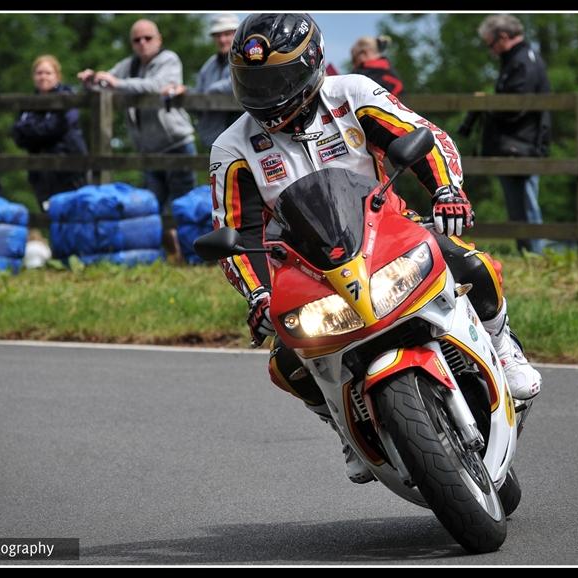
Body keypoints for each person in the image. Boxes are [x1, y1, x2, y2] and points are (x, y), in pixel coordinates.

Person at [210, 13, 542, 485]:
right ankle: (340, 420)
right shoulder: (232, 147)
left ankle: (503, 346)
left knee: (472, 263)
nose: (266, 93)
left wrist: (447, 191)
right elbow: (235, 236)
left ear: (312, 64)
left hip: (388, 230)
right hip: (306, 269)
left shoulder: (353, 93)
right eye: (253, 81)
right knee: (286, 362)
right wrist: (259, 295)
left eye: (277, 79)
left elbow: (423, 138)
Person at [77, 18, 196, 217]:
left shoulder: (169, 59)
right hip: (148, 152)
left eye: (147, 38)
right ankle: (166, 249)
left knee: (185, 212)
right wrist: (91, 81)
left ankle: (187, 250)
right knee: (150, 212)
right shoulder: (128, 65)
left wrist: (116, 83)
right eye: (137, 40)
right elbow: (106, 84)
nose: (142, 43)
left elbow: (155, 85)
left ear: (159, 39)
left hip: (177, 146)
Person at [458, 14, 551, 255]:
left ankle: (536, 255)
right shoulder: (518, 59)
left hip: (521, 145)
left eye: (491, 44)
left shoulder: (522, 61)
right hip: (515, 144)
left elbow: (516, 107)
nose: (491, 51)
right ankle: (528, 253)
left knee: (527, 205)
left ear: (503, 37)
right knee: (517, 206)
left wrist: (486, 105)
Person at [12, 55, 88, 212]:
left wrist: (33, 132)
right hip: (40, 172)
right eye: (39, 73)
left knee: (72, 214)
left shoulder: (68, 97)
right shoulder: (28, 103)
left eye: (48, 73)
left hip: (69, 169)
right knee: (48, 213)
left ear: (57, 76)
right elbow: (18, 135)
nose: (43, 77)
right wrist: (43, 130)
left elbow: (59, 126)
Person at [186, 13, 243, 149]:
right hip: (216, 139)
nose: (222, 39)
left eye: (227, 34)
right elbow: (199, 96)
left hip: (243, 136)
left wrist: (212, 90)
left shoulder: (246, 59)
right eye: (218, 35)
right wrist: (184, 93)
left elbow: (238, 83)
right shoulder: (209, 66)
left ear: (236, 34)